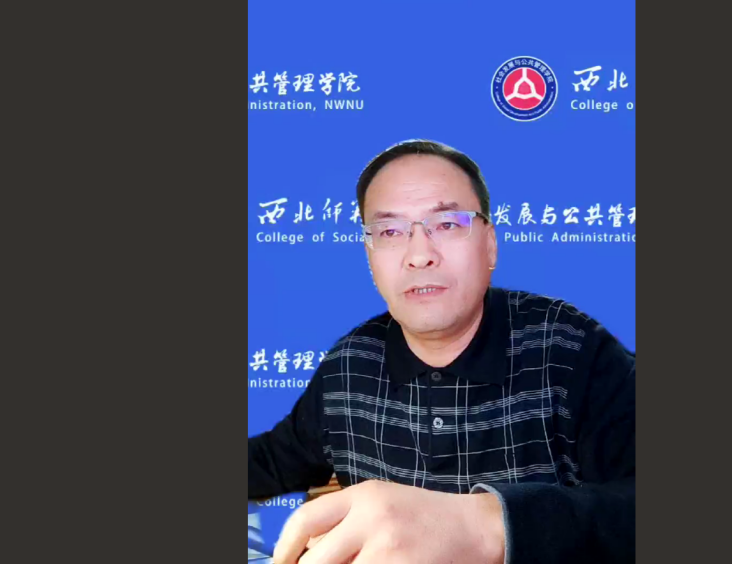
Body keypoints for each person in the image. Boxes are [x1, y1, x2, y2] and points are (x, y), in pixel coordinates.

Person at [248, 140, 635, 564]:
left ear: (490, 244)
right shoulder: (350, 363)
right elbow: (270, 461)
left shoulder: (571, 347)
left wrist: (491, 525)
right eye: (390, 232)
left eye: (447, 224)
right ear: (369, 256)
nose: (419, 256)